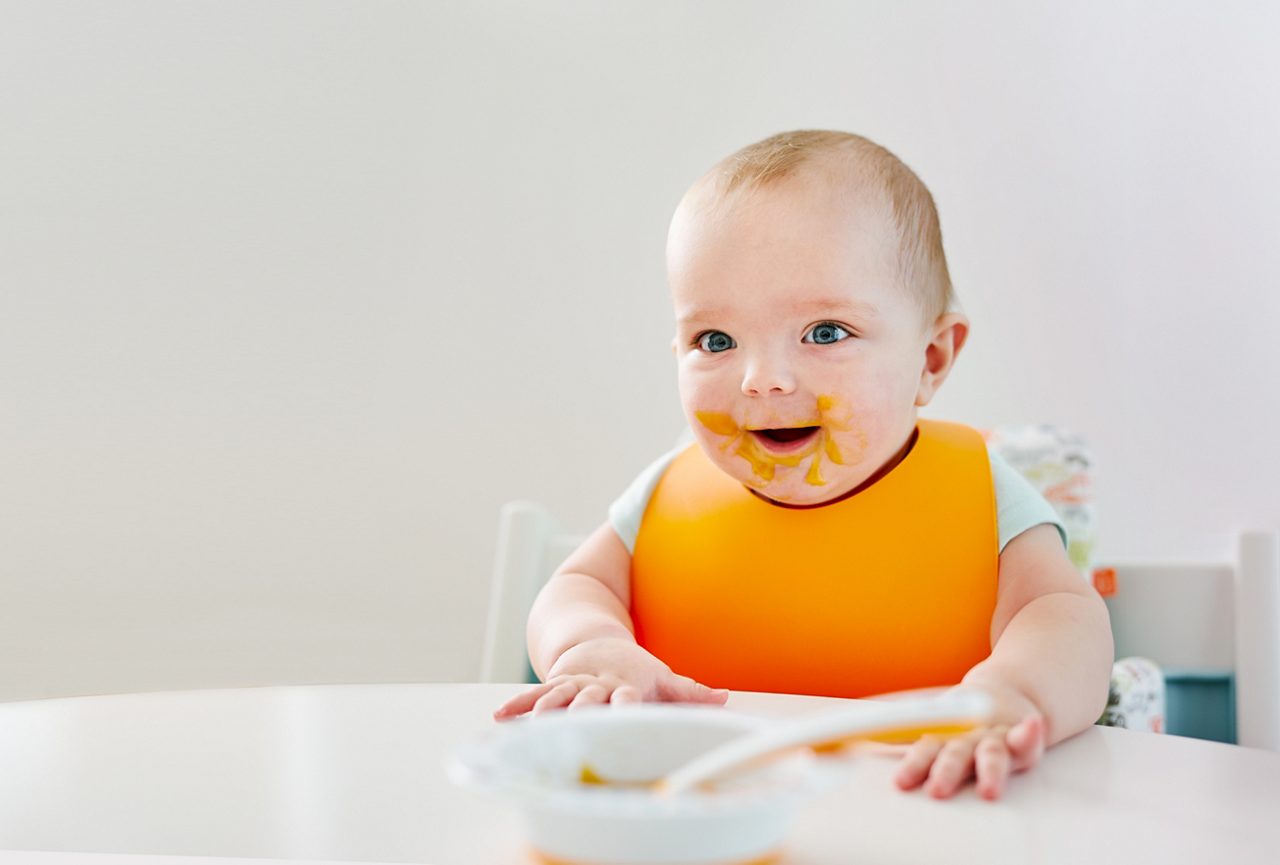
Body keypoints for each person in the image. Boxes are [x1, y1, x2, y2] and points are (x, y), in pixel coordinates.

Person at [493, 130, 1113, 801]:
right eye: (716, 339)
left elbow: (1066, 619)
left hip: (921, 812)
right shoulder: (666, 497)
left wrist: (1013, 693)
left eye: (825, 332)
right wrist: (591, 645)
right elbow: (575, 587)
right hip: (709, 817)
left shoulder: (982, 494)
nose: (763, 379)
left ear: (931, 358)